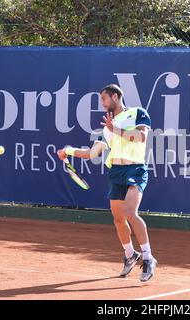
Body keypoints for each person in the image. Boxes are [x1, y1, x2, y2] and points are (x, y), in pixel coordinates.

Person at [57, 84, 157, 282]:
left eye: (104, 99)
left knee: (130, 212)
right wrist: (67, 151)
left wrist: (117, 129)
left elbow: (142, 137)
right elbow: (91, 153)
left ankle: (148, 257)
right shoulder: (106, 127)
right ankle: (130, 255)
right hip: (116, 172)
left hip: (135, 169)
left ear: (115, 96)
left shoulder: (137, 113)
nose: (102, 104)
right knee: (118, 219)